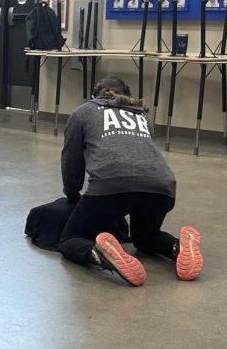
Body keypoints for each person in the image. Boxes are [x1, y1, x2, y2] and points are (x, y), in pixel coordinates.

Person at [58, 77, 202, 286]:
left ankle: (101, 254)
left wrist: (72, 194)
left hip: (110, 186)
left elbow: (71, 161)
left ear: (93, 96)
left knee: (70, 239)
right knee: (145, 239)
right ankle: (177, 247)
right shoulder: (142, 115)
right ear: (127, 95)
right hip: (162, 187)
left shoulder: (83, 112)